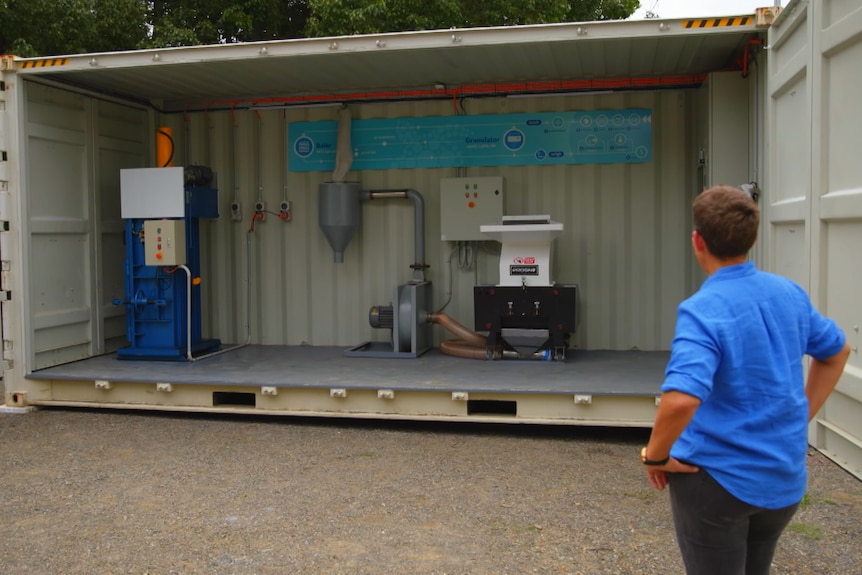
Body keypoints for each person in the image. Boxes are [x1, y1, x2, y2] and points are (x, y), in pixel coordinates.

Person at [641, 185, 850, 575]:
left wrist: (655, 455)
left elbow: (681, 399)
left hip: (716, 483)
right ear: (751, 238)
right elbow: (836, 352)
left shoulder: (702, 310)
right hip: (782, 481)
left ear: (697, 240)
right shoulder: (789, 293)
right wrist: (799, 414)